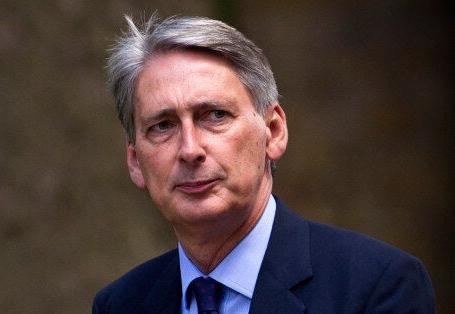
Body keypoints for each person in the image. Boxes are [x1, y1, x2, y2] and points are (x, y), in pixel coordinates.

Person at [93, 15, 435, 314]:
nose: (190, 149)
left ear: (272, 132)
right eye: (163, 126)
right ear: (135, 160)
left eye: (214, 115)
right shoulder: (120, 304)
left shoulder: (375, 285)